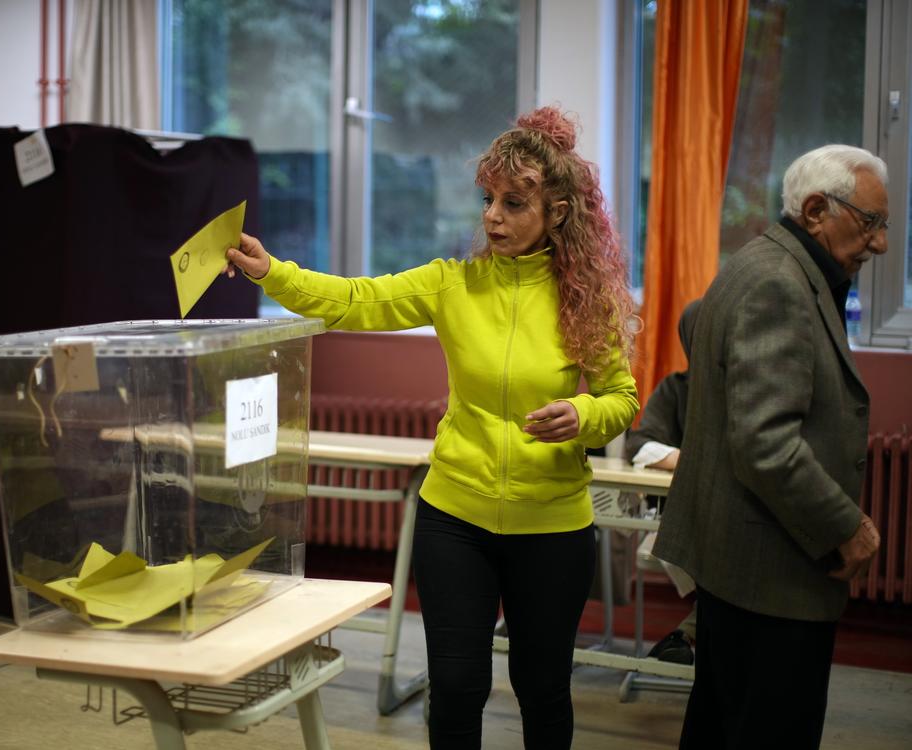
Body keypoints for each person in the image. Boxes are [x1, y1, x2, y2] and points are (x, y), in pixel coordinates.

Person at [225, 106, 639, 749]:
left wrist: (582, 416)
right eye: (488, 199)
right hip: (455, 517)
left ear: (557, 212)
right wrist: (270, 272)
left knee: (544, 687)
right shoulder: (454, 285)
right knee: (456, 685)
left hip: (553, 527)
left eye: (514, 203)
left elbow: (622, 398)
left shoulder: (587, 302)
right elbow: (353, 300)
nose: (493, 216)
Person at [652, 144, 886, 750]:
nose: (881, 244)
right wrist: (847, 526)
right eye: (871, 223)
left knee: (722, 720)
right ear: (814, 209)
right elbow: (765, 443)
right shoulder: (779, 284)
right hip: (772, 570)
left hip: (745, 562)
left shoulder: (762, 263)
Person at [624, 298, 701, 665]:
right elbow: (639, 443)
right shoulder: (676, 388)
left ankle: (685, 634)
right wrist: (694, 463)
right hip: (684, 513)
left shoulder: (748, 392)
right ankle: (687, 634)